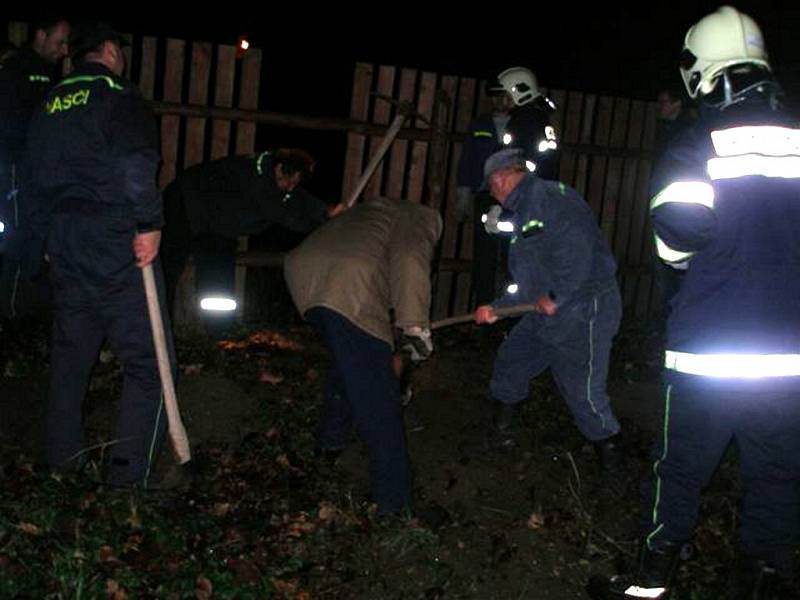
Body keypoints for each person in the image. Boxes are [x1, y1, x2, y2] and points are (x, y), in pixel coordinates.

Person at [593, 7, 800, 599]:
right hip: (790, 358)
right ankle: (766, 581)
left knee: (679, 471)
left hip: (709, 353)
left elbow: (674, 238)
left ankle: (651, 583)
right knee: (778, 473)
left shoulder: (697, 144)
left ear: (702, 71)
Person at [23, 21, 175, 488]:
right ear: (110, 51)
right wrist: (148, 224)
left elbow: (29, 176)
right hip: (113, 236)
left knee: (72, 355)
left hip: (64, 237)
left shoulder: (47, 104)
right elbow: (135, 164)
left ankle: (63, 462)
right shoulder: (118, 96)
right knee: (147, 359)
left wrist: (43, 244)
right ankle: (128, 477)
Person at [284, 196, 442, 518]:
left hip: (303, 272)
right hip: (349, 282)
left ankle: (329, 444)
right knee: (380, 405)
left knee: (349, 365)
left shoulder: (372, 213)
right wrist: (415, 325)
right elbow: (411, 259)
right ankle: (395, 507)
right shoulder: (423, 217)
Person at [471, 148, 623, 472]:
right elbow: (528, 282)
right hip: (544, 313)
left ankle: (611, 462)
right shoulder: (523, 212)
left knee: (582, 393)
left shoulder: (551, 199)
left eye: (492, 190)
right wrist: (498, 309)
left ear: (500, 179)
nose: (494, 199)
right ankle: (502, 435)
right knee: (511, 362)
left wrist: (557, 295)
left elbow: (577, 253)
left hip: (585, 309)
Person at [160, 149, 342, 327]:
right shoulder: (254, 176)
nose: (289, 188)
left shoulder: (276, 179)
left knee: (218, 272)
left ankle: (218, 331)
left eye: (295, 184)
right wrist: (318, 226)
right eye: (287, 181)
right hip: (183, 206)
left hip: (216, 224)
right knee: (169, 266)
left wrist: (324, 211)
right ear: (278, 168)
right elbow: (281, 214)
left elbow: (297, 198)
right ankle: (157, 325)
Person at [0, 18, 70, 318]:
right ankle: (11, 312)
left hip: (25, 170)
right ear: (41, 34)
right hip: (18, 170)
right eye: (59, 41)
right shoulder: (28, 71)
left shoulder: (34, 70)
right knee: (19, 238)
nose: (64, 50)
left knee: (26, 239)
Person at [455, 78, 514, 308]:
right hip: (485, 196)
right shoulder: (479, 125)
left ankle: (512, 314)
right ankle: (483, 309)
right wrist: (463, 196)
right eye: (497, 96)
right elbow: (467, 161)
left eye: (506, 96)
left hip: (514, 200)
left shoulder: (523, 126)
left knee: (512, 256)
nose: (502, 101)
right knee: (484, 257)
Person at [651, 84, 696, 321]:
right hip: (665, 212)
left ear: (677, 104)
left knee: (675, 279)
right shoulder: (668, 130)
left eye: (664, 102)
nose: (659, 108)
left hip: (680, 215)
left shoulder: (685, 134)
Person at [497, 66, 560, 181]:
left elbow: (519, 156)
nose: (504, 100)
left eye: (507, 96)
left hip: (529, 186)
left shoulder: (526, 119)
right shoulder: (537, 116)